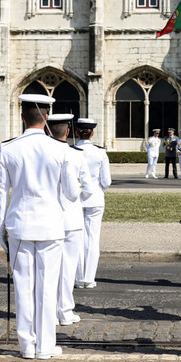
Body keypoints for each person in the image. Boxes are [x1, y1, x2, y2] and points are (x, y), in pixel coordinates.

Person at [0, 94, 81, 360]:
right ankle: (44, 346)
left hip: (19, 225)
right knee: (47, 286)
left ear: (22, 117)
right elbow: (71, 194)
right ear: (46, 117)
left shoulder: (8, 148)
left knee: (23, 285)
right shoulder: (61, 149)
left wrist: (0, 229)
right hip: (51, 226)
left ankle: (26, 345)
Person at [48, 113, 88, 326]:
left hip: (49, 218)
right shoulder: (75, 155)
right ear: (69, 131)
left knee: (49, 268)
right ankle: (65, 310)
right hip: (71, 218)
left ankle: (51, 312)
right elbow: (85, 189)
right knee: (68, 267)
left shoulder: (44, 151)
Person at [73, 117, 111, 289]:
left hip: (76, 199)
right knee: (93, 238)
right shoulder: (100, 152)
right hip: (95, 198)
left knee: (78, 238)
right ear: (92, 133)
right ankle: (89, 278)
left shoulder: (71, 151)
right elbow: (107, 181)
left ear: (76, 132)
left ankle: (79, 277)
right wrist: (97, 189)